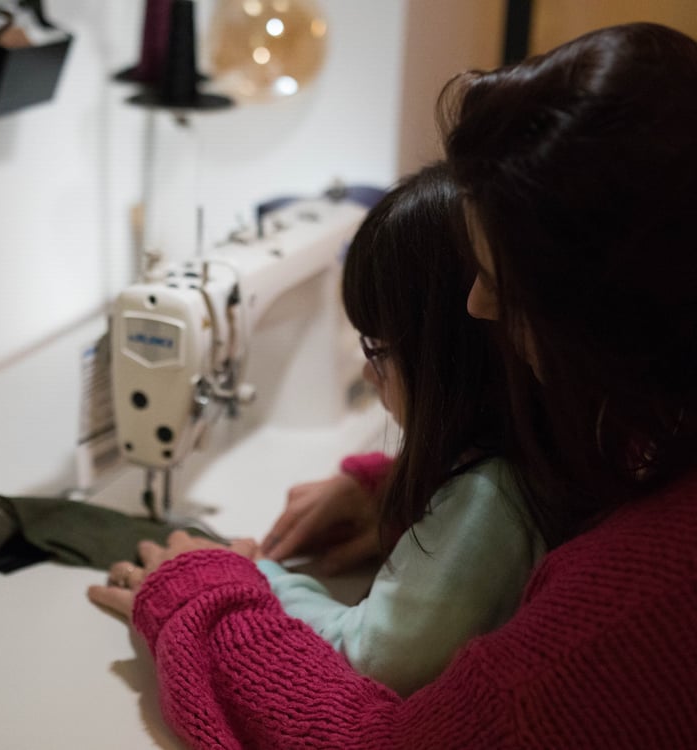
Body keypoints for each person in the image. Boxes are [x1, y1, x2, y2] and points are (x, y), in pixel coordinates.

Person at [87, 23, 697, 749]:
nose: (479, 306)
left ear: (608, 305)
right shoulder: (637, 440)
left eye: (501, 281)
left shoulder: (640, 599)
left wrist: (225, 593)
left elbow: (381, 727)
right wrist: (397, 489)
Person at [252, 162, 542, 697]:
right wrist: (390, 493)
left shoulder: (490, 499)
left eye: (379, 351)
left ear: (451, 358)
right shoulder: (530, 462)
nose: (369, 374)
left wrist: (255, 578)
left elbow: (372, 659)